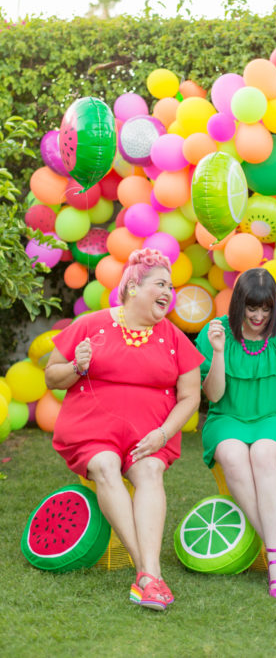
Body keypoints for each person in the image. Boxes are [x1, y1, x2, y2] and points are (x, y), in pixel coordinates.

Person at [45, 248, 202, 611]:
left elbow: (190, 397)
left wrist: (163, 434)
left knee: (149, 470)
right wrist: (76, 367)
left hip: (150, 433)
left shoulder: (176, 337)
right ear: (133, 286)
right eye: (161, 284)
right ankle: (148, 573)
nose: (169, 292)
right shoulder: (90, 324)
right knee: (103, 465)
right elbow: (53, 376)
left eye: (172, 286)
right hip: (92, 428)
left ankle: (147, 576)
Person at [197, 266, 276, 598]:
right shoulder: (216, 333)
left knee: (263, 453)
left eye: (266, 308)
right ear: (238, 305)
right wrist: (218, 352)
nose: (259, 315)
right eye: (252, 307)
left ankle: (274, 560)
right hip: (228, 417)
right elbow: (214, 395)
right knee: (233, 454)